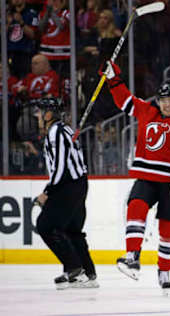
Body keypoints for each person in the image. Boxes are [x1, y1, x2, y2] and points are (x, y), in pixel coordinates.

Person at [101, 61, 170, 294]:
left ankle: (164, 270)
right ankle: (132, 256)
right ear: (158, 101)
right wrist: (113, 79)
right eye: (162, 100)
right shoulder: (148, 112)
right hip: (146, 177)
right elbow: (125, 101)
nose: (166, 104)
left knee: (168, 230)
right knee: (136, 206)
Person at [33, 97, 98, 290]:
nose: (37, 117)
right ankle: (88, 272)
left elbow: (60, 167)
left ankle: (74, 269)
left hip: (67, 185)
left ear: (49, 114)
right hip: (77, 183)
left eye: (39, 112)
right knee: (71, 229)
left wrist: (47, 192)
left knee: (45, 225)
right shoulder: (64, 130)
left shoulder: (56, 133)